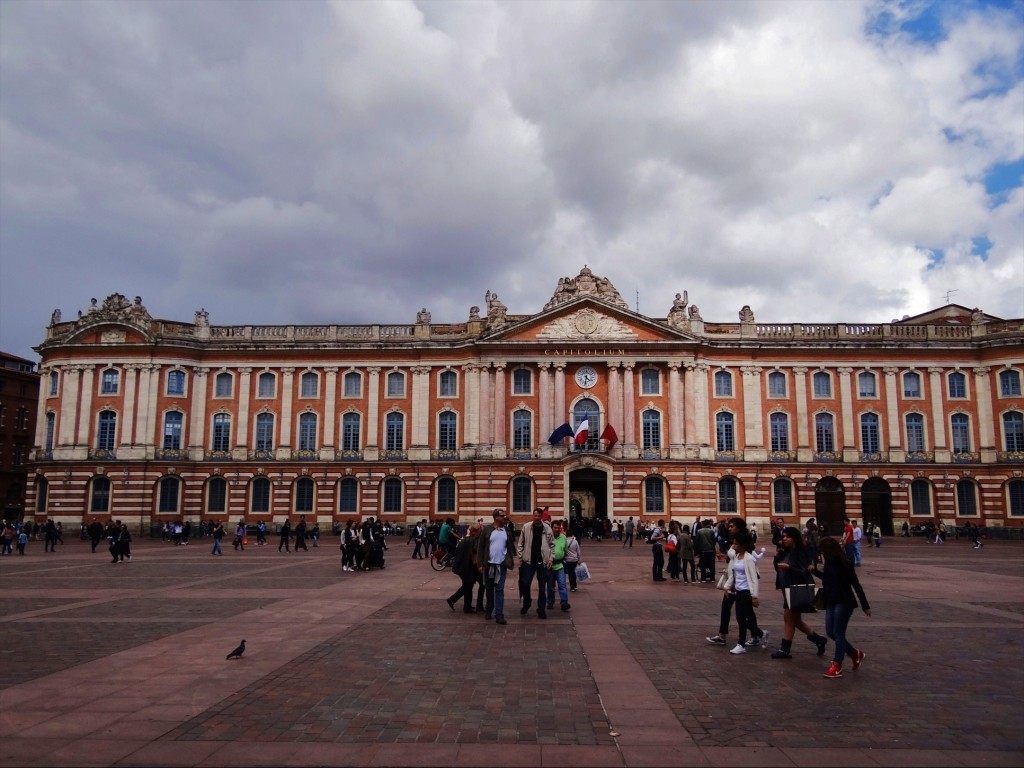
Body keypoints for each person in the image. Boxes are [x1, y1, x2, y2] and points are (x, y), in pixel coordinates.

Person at [811, 537, 871, 678]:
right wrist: (814, 571)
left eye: (824, 551)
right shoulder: (830, 563)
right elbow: (827, 578)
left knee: (838, 633)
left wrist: (865, 605)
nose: (822, 554)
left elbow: (856, 585)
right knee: (830, 632)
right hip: (831, 601)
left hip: (844, 602)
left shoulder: (845, 564)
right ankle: (855, 653)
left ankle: (837, 664)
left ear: (830, 550)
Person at [771, 526, 828, 660]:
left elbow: (805, 572)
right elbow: (778, 569)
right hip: (786, 587)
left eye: (787, 536)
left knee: (789, 618)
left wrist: (789, 568)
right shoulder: (785, 552)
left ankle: (785, 649)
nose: (784, 539)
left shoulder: (801, 553)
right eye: (783, 536)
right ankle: (818, 640)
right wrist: (776, 559)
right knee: (795, 620)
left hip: (796, 588)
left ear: (794, 538)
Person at [721, 524, 766, 654]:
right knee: (741, 618)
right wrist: (727, 587)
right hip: (739, 590)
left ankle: (741, 644)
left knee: (741, 618)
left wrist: (754, 596)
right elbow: (734, 574)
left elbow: (753, 579)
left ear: (743, 545)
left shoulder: (750, 559)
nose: (733, 546)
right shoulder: (736, 557)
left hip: (747, 591)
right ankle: (760, 634)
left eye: (735, 544)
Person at [477, 509, 515, 625]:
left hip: (501, 565)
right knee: (489, 590)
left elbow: (510, 546)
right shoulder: (487, 530)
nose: (504, 517)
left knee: (499, 590)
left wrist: (509, 559)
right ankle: (489, 610)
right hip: (489, 564)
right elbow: (480, 547)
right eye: (502, 516)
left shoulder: (507, 530)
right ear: (496, 517)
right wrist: (480, 564)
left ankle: (499, 615)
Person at [517, 508, 554, 619]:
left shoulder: (547, 528)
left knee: (542, 586)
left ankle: (541, 609)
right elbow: (520, 543)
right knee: (525, 583)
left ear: (542, 516)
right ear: (532, 516)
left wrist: (551, 558)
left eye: (538, 516)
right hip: (528, 561)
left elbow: (552, 545)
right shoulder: (527, 527)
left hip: (542, 562)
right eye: (535, 516)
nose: (536, 518)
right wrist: (520, 557)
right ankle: (527, 601)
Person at [447, 524, 482, 613]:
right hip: (465, 567)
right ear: (475, 532)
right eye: (479, 531)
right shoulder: (473, 540)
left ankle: (467, 606)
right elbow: (474, 556)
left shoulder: (465, 539)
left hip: (461, 566)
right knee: (468, 585)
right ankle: (453, 599)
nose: (479, 533)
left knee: (468, 585)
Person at [547, 520, 571, 611]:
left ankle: (564, 602)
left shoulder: (563, 538)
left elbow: (565, 550)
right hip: (550, 566)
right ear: (551, 528)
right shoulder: (548, 537)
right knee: (550, 586)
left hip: (560, 565)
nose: (556, 529)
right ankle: (550, 602)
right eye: (555, 528)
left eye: (558, 528)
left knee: (562, 584)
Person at [564, 525, 582, 593]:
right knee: (572, 573)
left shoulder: (565, 541)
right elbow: (578, 551)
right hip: (574, 560)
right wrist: (579, 559)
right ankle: (574, 586)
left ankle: (571, 586)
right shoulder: (575, 541)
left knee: (568, 573)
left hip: (567, 560)